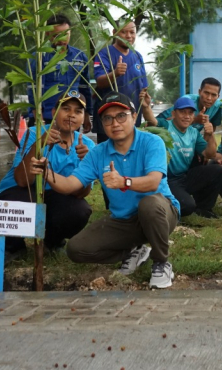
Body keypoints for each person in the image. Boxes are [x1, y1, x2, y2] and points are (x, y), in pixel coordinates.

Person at [32, 92, 180, 289]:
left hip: (161, 213)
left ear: (134, 117)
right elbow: (69, 184)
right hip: (124, 220)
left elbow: (153, 182)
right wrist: (46, 171)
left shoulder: (152, 142)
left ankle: (161, 262)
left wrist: (124, 182)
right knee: (76, 250)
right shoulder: (98, 152)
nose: (115, 123)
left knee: (149, 204)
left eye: (121, 116)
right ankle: (134, 252)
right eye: (108, 119)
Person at [0, 92, 94, 255]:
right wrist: (39, 144)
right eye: (66, 108)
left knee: (79, 210)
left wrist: (87, 164)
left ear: (83, 117)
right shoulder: (33, 133)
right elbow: (21, 180)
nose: (71, 115)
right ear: (54, 112)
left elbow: (81, 193)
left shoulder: (88, 145)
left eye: (78, 111)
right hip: (23, 192)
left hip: (56, 195)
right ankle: (13, 247)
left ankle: (52, 242)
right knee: (14, 202)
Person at [142, 95, 222, 218]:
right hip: (167, 180)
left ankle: (204, 208)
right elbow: (152, 121)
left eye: (190, 113)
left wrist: (210, 134)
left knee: (217, 169)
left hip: (183, 177)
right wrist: (146, 106)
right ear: (174, 114)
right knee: (187, 206)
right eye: (182, 112)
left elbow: (210, 154)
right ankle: (161, 203)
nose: (187, 116)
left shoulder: (193, 133)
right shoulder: (166, 125)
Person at [28, 14, 91, 129]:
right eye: (57, 35)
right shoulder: (40, 57)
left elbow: (85, 88)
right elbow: (33, 89)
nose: (62, 39)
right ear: (48, 34)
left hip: (73, 117)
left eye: (65, 34)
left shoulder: (80, 57)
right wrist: (38, 116)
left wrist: (87, 114)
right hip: (47, 116)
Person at [93, 21, 149, 139]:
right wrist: (115, 73)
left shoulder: (138, 56)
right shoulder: (104, 54)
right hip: (109, 121)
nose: (128, 36)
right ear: (114, 33)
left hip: (132, 120)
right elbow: (99, 82)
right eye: (124, 32)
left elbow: (144, 86)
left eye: (132, 32)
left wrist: (145, 98)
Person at [158, 77, 222, 131]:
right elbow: (161, 122)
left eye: (214, 95)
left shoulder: (217, 105)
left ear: (218, 96)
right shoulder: (186, 101)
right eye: (206, 93)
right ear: (199, 92)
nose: (209, 98)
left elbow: (213, 125)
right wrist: (195, 119)